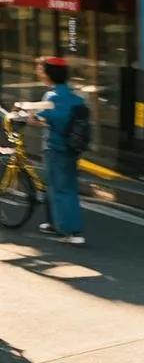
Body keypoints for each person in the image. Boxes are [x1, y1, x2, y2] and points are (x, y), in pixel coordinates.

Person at [20, 58, 86, 245]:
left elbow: (38, 120)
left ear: (49, 74)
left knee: (62, 188)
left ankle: (71, 231)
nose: (38, 73)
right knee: (55, 183)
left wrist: (30, 115)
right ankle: (52, 221)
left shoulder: (52, 97)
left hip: (56, 147)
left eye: (41, 70)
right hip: (73, 147)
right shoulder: (72, 95)